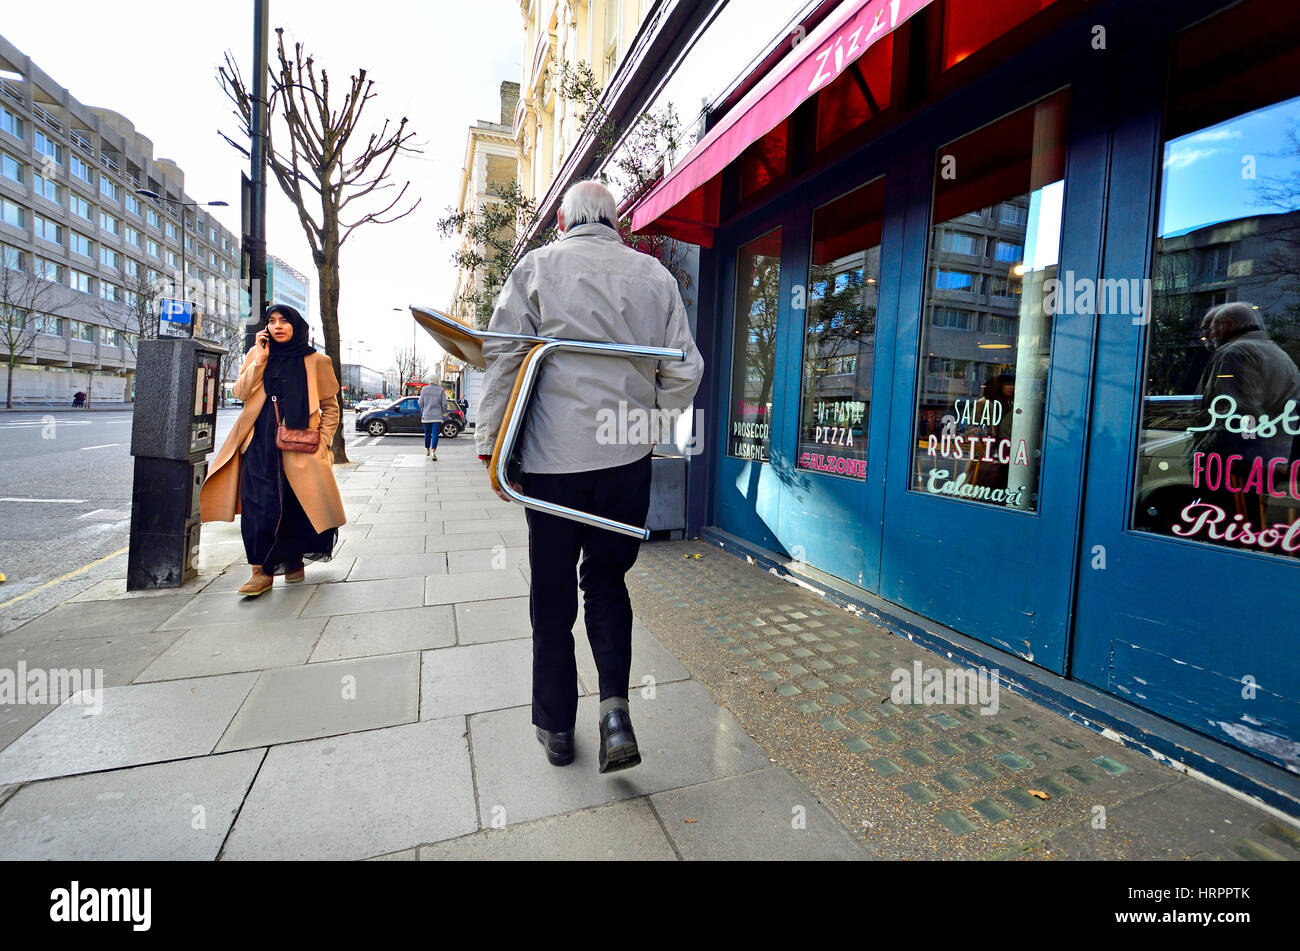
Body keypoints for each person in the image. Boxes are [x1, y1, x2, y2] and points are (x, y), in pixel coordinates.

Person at [475, 180, 704, 773]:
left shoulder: (536, 268)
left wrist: (490, 444)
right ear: (617, 222)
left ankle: (556, 727)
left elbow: (504, 357)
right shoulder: (656, 277)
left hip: (554, 461)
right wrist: (648, 424)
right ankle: (615, 716)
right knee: (607, 583)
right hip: (625, 462)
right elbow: (685, 368)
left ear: (562, 220)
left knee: (551, 594)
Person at [199, 304, 347, 596]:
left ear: (296, 326)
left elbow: (331, 407)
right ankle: (260, 571)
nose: (278, 326)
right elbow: (240, 393)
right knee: (257, 507)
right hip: (258, 444)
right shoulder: (257, 354)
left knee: (294, 506)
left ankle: (293, 560)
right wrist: (260, 360)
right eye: (272, 321)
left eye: (284, 321)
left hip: (301, 446)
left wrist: (324, 441)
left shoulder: (317, 361)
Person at [419, 382, 449, 460]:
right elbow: (444, 404)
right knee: (435, 434)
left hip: (426, 415)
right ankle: (433, 452)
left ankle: (427, 449)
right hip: (437, 416)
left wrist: (424, 409)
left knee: (427, 433)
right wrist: (443, 412)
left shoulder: (424, 389)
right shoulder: (441, 390)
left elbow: (420, 402)